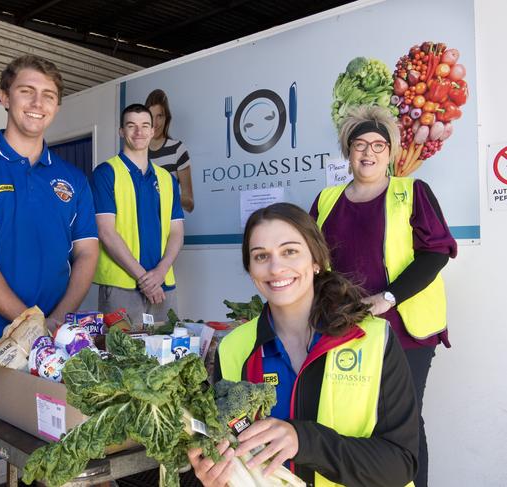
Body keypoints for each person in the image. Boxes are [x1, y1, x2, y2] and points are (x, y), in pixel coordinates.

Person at [0, 54, 99, 486]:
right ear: (4, 97)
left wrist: (58, 320)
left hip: (53, 349)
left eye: (48, 95)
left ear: (57, 106)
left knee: (52, 465)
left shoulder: (73, 180)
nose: (37, 102)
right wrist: (31, 324)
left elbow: (87, 254)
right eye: (26, 91)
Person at [188, 203, 419, 487]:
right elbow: (236, 444)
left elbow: (400, 464)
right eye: (261, 256)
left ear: (316, 260)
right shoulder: (234, 348)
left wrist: (304, 441)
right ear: (251, 270)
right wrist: (217, 477)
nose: (276, 267)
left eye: (289, 251)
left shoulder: (373, 339)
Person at [310, 105, 457, 487]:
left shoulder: (412, 192)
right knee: (353, 416)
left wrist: (387, 298)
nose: (369, 152)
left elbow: (436, 253)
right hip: (346, 328)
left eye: (379, 144)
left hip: (405, 330)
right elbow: (311, 263)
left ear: (391, 152)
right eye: (360, 144)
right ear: (348, 151)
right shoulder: (326, 201)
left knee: (405, 421)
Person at [92, 103, 184, 327]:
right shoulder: (106, 173)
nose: (139, 132)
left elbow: (177, 232)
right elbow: (106, 232)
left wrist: (160, 273)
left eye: (145, 126)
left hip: (163, 284)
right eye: (131, 126)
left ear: (153, 131)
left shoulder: (166, 179)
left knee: (168, 356)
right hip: (121, 287)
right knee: (120, 358)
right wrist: (145, 279)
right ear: (121, 132)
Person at [145, 89, 195, 212]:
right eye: (151, 117)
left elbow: (190, 204)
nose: (155, 123)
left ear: (166, 118)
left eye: (159, 116)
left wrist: (166, 195)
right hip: (141, 228)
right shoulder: (138, 153)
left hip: (170, 227)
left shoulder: (178, 149)